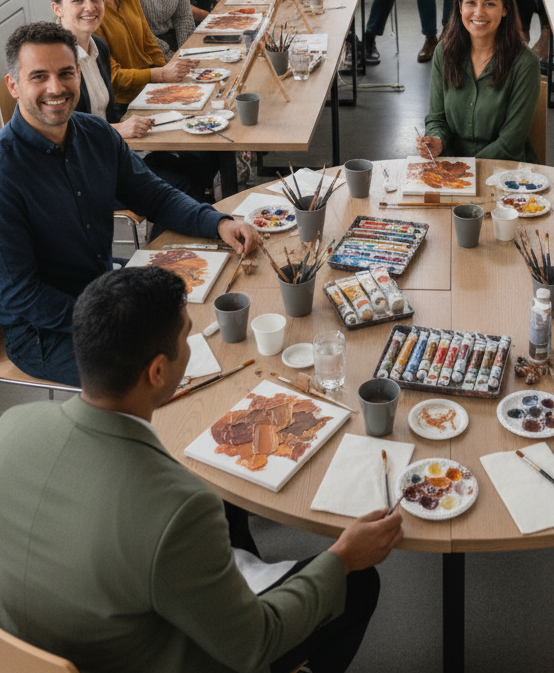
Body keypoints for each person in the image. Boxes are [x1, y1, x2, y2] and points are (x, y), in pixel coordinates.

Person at [0, 265, 402, 673]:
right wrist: (342, 557)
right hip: (162, 657)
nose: (192, 346)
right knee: (359, 584)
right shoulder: (179, 509)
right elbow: (255, 643)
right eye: (187, 336)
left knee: (226, 509)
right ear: (158, 371)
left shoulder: (10, 426)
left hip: (26, 653)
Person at [0, 22, 257, 385]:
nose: (56, 88)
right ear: (13, 86)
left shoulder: (97, 134)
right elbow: (22, 295)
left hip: (103, 289)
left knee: (207, 322)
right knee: (164, 371)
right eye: (38, 77)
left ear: (78, 75)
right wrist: (109, 319)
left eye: (66, 73)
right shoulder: (5, 171)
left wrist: (219, 223)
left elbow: (156, 196)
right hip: (44, 331)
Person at [50, 0, 213, 202]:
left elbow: (105, 113)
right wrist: (118, 130)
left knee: (200, 163)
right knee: (181, 183)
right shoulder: (57, 63)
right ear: (57, 9)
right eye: (78, 0)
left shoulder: (98, 46)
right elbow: (60, 133)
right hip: (84, 174)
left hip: (112, 151)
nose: (90, 7)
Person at [418, 0, 541, 164]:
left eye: (490, 4)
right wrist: (437, 140)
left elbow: (510, 143)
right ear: (460, 6)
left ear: (505, 9)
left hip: (503, 169)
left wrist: (465, 168)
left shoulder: (525, 63)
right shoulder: (444, 51)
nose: (479, 12)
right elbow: (436, 118)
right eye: (471, 2)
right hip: (452, 166)